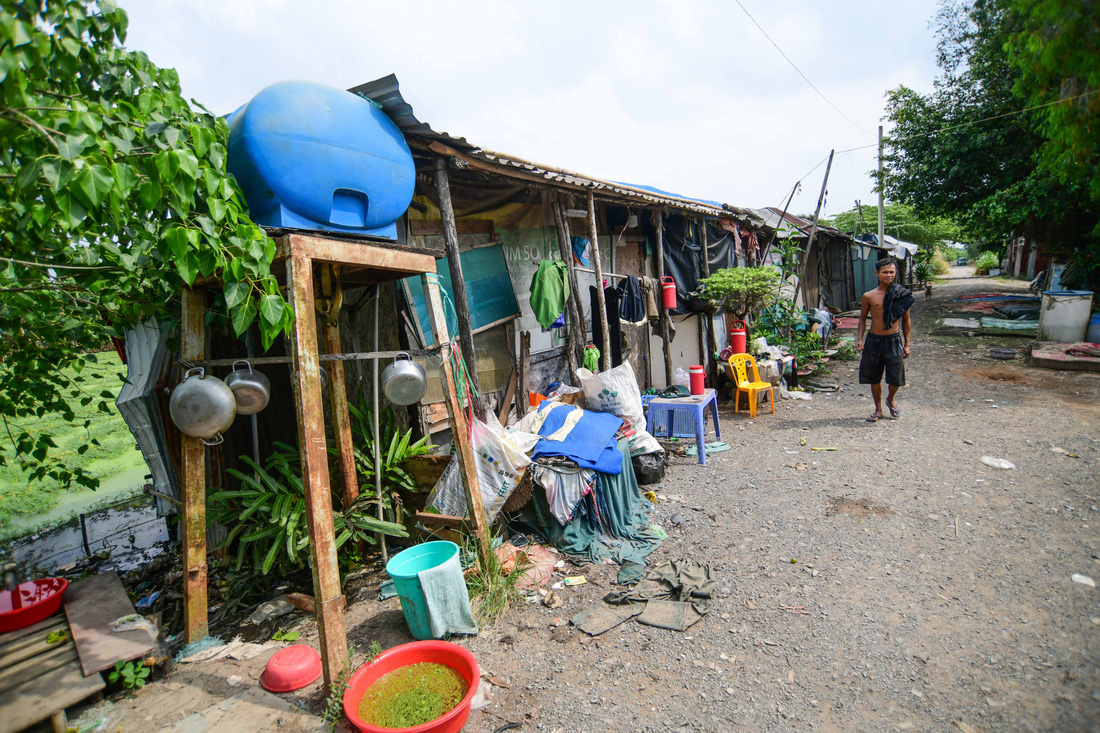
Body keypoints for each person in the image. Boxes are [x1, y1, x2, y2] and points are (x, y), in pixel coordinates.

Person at [857, 257, 913, 422]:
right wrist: (860, 339)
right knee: (874, 377)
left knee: (896, 377)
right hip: (873, 341)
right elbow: (862, 318)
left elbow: (906, 321)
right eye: (884, 272)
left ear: (895, 273)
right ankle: (878, 408)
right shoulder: (869, 296)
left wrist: (907, 344)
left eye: (891, 272)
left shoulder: (902, 294)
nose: (888, 275)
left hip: (893, 340)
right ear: (877, 273)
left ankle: (890, 399)